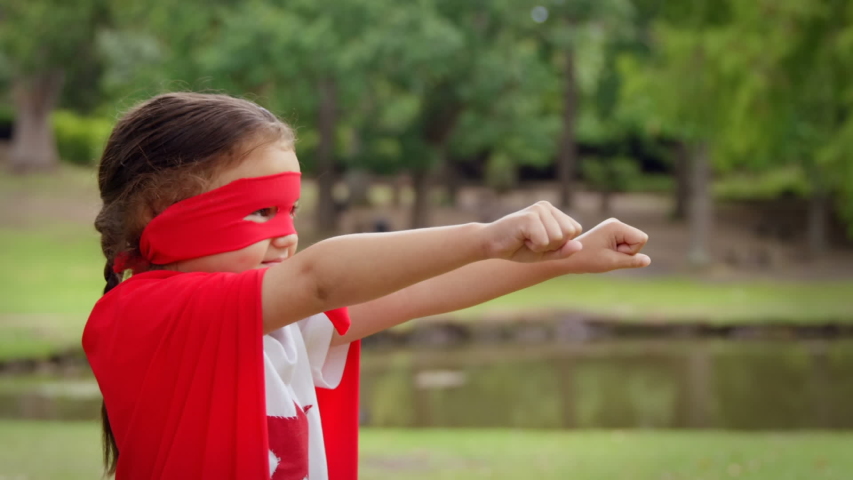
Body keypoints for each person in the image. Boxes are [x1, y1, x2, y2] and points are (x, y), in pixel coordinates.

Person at [82, 92, 651, 480]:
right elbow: (320, 278)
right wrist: (485, 235)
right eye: (259, 213)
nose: (286, 237)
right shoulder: (143, 314)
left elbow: (425, 289)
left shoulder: (277, 324)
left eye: (290, 211)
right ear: (160, 209)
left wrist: (566, 259)